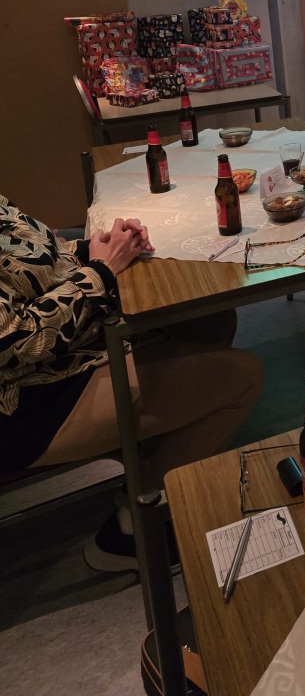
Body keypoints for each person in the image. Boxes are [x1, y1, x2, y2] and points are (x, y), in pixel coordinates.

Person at [0, 195, 263, 571]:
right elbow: (16, 341)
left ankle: (157, 468)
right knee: (242, 377)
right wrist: (102, 270)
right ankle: (131, 532)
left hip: (70, 347)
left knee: (211, 321)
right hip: (28, 400)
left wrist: (94, 248)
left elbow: (38, 257)